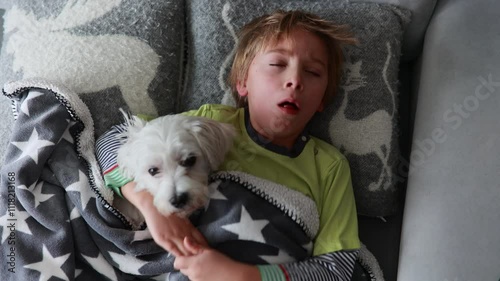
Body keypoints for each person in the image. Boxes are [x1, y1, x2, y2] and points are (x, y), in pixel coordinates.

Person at [96, 9, 360, 281]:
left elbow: (336, 269)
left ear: (322, 102)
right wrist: (152, 207)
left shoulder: (330, 167)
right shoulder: (212, 121)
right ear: (243, 82)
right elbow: (113, 141)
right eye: (278, 64)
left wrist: (243, 275)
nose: (295, 80)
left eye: (313, 72)